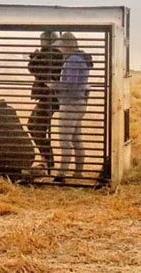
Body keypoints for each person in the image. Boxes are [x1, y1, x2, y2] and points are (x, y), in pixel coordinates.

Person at [51, 32, 93, 183]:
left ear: (66, 45)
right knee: (76, 139)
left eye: (61, 46)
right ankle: (78, 172)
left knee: (64, 140)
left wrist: (54, 85)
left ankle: (61, 175)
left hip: (70, 104)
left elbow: (71, 84)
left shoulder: (73, 60)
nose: (59, 49)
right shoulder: (80, 58)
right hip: (79, 103)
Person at [26, 31, 63, 175]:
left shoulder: (50, 53)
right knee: (36, 127)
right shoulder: (53, 53)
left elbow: (33, 68)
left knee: (36, 127)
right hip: (48, 97)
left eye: (42, 40)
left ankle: (48, 160)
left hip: (48, 98)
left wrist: (34, 57)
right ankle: (48, 159)